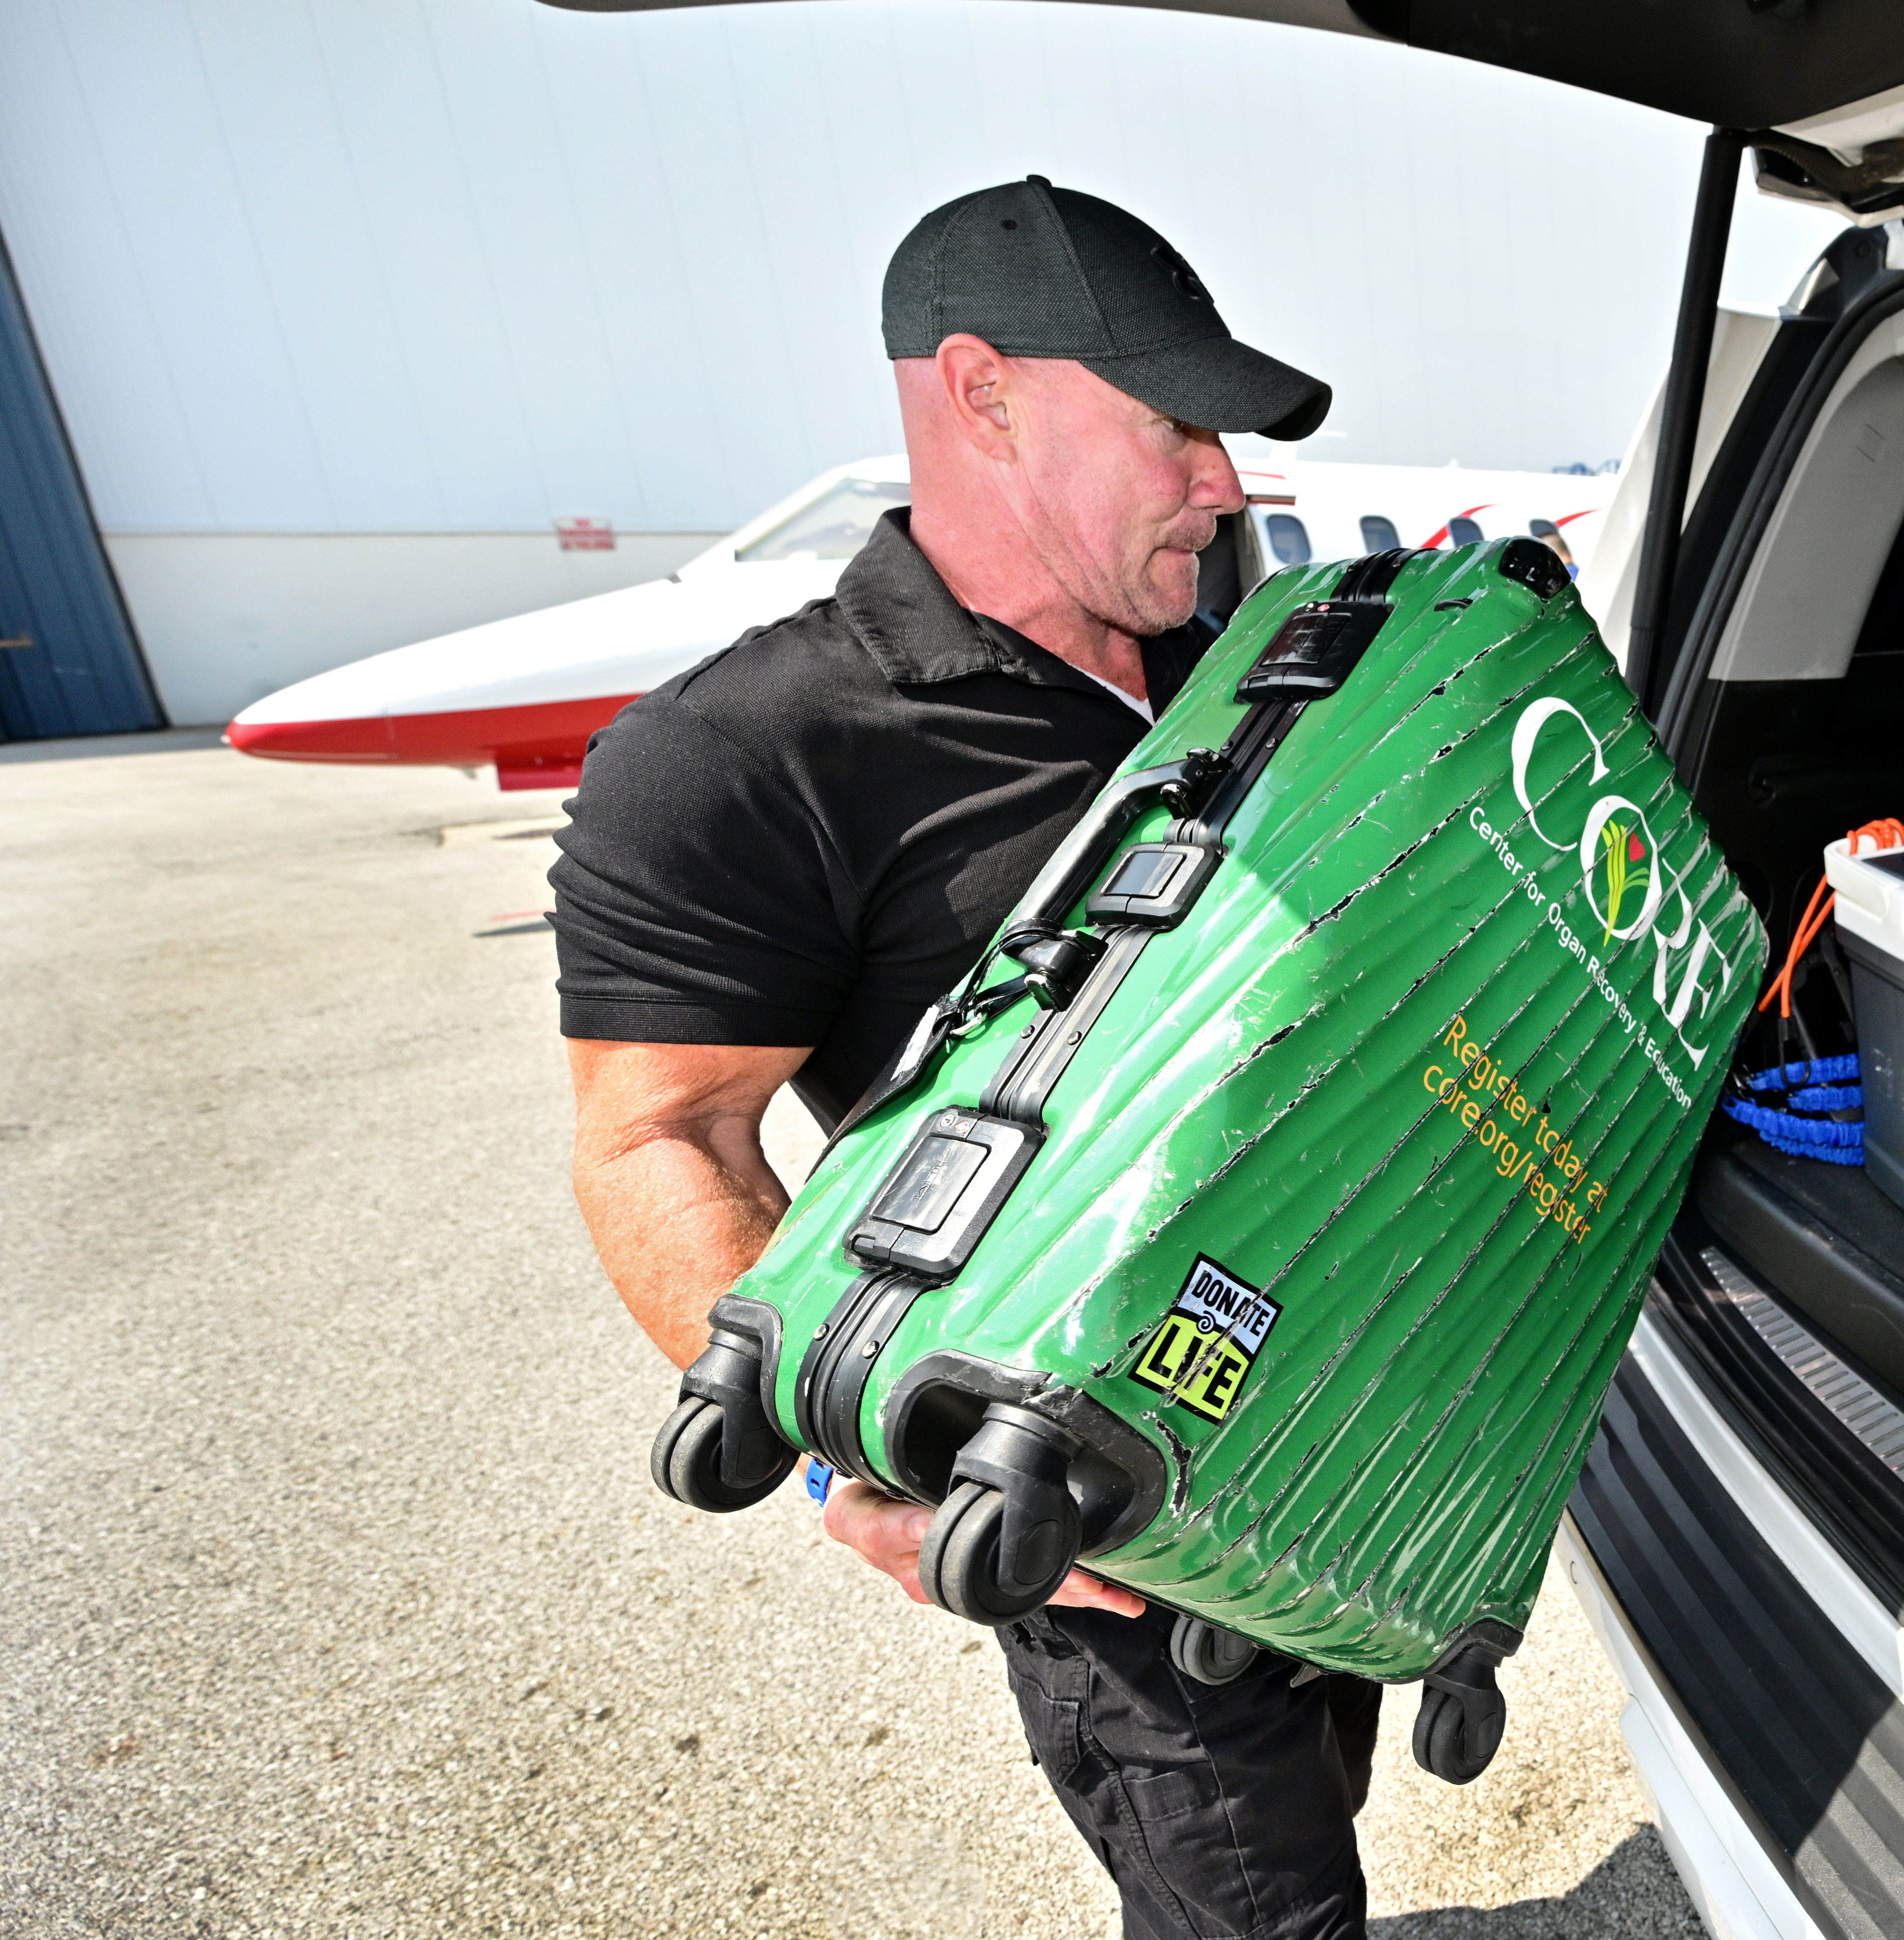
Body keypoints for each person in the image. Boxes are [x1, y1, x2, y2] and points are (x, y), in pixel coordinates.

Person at [551, 176, 1377, 1940]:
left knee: (1335, 1793)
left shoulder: (1245, 669)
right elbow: (661, 1137)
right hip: (1099, 1515)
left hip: (1324, 1437)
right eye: (1177, 428)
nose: (1223, 481)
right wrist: (865, 1449)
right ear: (986, 394)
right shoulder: (744, 754)